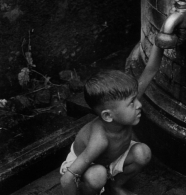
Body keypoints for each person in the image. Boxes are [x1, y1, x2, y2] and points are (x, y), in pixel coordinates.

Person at [60, 14, 177, 195]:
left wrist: (161, 38)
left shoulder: (121, 105)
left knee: (143, 153)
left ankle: (115, 185)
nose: (139, 105)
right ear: (108, 115)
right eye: (132, 103)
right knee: (97, 175)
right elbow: (67, 179)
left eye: (136, 99)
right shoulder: (100, 140)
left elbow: (151, 69)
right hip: (87, 168)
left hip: (111, 160)